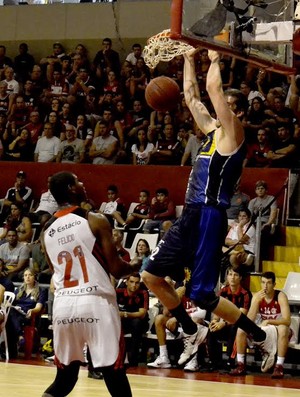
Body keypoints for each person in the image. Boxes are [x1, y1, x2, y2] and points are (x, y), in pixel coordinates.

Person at [141, 48, 277, 371]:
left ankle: (261, 335)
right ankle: (191, 330)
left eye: (228, 107)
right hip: (190, 214)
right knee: (149, 275)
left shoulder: (235, 135)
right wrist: (189, 57)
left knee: (203, 294)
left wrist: (215, 59)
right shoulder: (212, 134)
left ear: (239, 112)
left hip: (210, 215)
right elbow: (192, 97)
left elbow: (213, 90)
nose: (220, 109)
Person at [41, 171, 139, 397]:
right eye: (77, 181)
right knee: (115, 376)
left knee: (64, 380)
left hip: (63, 306)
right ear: (70, 188)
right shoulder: (94, 219)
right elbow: (116, 269)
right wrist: (135, 264)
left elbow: (55, 271)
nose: (82, 183)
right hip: (96, 303)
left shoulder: (46, 231)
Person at [230, 271, 291, 379]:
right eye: (263, 282)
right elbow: (248, 321)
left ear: (274, 285)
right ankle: (240, 365)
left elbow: (287, 321)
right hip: (265, 330)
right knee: (241, 329)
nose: (265, 286)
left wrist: (269, 321)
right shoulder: (257, 297)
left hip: (279, 328)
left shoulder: (280, 296)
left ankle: (279, 366)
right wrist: (255, 302)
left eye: (268, 283)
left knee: (283, 329)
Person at [205, 265, 252, 372]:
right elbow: (216, 310)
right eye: (230, 274)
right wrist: (215, 320)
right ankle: (214, 361)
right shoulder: (223, 292)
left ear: (240, 278)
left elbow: (241, 316)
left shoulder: (245, 294)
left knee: (235, 327)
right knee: (211, 328)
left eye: (235, 275)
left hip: (238, 326)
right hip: (224, 324)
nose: (232, 277)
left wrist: (224, 323)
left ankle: (230, 361)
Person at [6, 267, 47, 358]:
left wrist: (32, 310)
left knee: (10, 320)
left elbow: (38, 307)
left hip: (28, 316)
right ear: (23, 277)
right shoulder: (19, 290)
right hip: (16, 314)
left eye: (30, 275)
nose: (27, 277)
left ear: (34, 277)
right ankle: (19, 337)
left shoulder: (41, 291)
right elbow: (10, 303)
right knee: (11, 314)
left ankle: (10, 349)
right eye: (25, 275)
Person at [116, 272, 149, 367]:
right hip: (122, 321)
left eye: (137, 282)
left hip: (140, 323)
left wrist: (125, 314)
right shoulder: (118, 292)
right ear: (126, 282)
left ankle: (133, 361)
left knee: (137, 323)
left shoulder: (143, 293)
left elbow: (142, 314)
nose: (134, 285)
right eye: (131, 282)